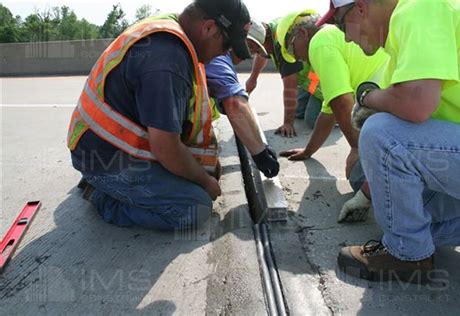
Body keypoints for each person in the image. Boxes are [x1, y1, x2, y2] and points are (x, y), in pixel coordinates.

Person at [319, 0, 460, 283]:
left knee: (380, 131)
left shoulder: (419, 7)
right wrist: (366, 196)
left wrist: (367, 98)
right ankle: (414, 242)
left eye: (342, 24)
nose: (345, 37)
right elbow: (410, 148)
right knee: (408, 215)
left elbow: (415, 105)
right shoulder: (398, 52)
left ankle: (408, 254)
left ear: (361, 8)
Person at [67, 0, 252, 231]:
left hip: (105, 146)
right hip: (107, 159)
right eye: (226, 46)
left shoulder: (171, 30)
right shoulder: (167, 59)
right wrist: (205, 182)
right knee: (195, 207)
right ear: (209, 28)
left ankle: (111, 185)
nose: (224, 54)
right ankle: (102, 197)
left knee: (201, 172)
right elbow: (166, 147)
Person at [276, 10, 388, 222]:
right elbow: (330, 110)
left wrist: (357, 149)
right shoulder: (332, 37)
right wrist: (308, 150)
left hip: (385, 108)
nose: (298, 59)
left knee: (356, 172)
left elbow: (342, 102)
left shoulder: (319, 43)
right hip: (388, 103)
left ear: (302, 33)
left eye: (293, 50)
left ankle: (408, 200)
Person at [205, 21, 280, 178]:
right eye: (250, 47)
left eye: (254, 51)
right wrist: (260, 154)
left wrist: (261, 144)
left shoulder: (216, 52)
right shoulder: (219, 58)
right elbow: (235, 103)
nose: (250, 55)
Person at [245, 11, 324, 137]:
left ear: (266, 39)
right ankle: (312, 98)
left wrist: (288, 123)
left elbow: (290, 87)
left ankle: (346, 108)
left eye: (256, 49)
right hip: (309, 82)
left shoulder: (283, 44)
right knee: (297, 112)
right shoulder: (271, 29)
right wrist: (253, 79)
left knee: (313, 120)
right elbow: (263, 54)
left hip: (322, 82)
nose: (255, 53)